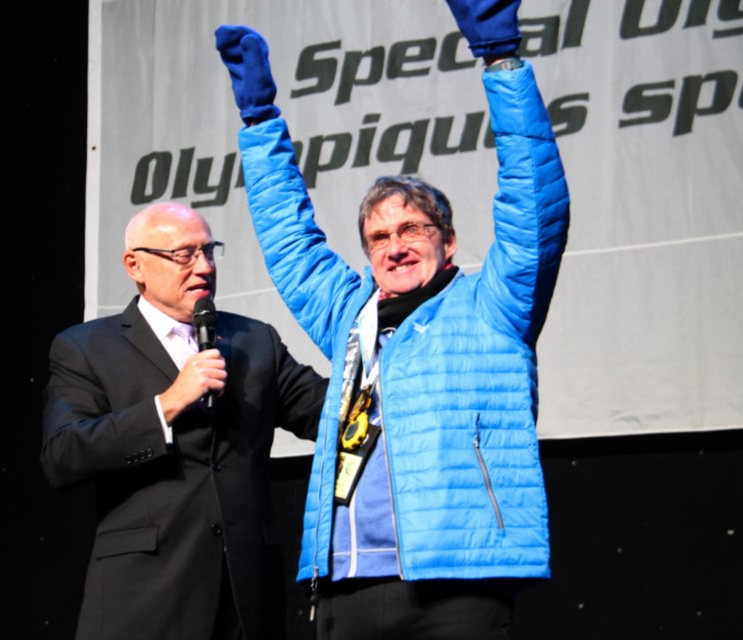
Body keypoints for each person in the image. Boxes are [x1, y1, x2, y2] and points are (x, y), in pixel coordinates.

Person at [214, 1, 570, 637]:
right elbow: (290, 241)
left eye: (412, 228)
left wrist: (502, 62)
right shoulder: (351, 316)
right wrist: (260, 122)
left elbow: (533, 201)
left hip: (455, 583)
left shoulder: (493, 305)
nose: (395, 245)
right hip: (345, 580)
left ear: (449, 241)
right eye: (378, 237)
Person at [41, 202, 328, 640]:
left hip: (246, 596)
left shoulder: (254, 340)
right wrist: (167, 405)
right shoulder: (85, 347)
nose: (204, 267)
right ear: (135, 265)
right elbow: (64, 454)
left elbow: (328, 413)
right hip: (144, 595)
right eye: (184, 255)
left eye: (209, 252)